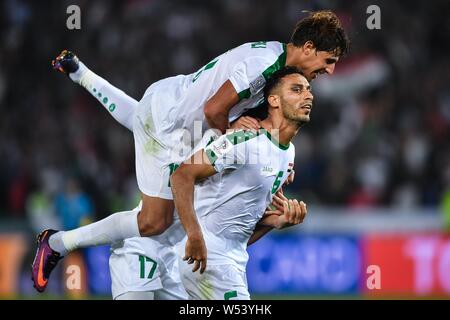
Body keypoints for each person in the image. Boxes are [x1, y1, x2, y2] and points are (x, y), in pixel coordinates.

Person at [32, 10, 348, 293]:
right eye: (328, 61)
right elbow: (214, 110)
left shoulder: (275, 64)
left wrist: (269, 153)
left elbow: (237, 118)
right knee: (153, 220)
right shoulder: (263, 64)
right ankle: (57, 242)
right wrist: (243, 141)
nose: (329, 71)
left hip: (174, 112)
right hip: (174, 123)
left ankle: (81, 73)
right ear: (308, 48)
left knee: (138, 120)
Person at [171, 67, 310, 299]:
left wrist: (275, 222)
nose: (308, 95)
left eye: (308, 90)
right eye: (297, 89)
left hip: (230, 259)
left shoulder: (289, 153)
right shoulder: (244, 139)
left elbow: (238, 234)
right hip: (206, 256)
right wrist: (194, 235)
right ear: (273, 100)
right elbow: (181, 175)